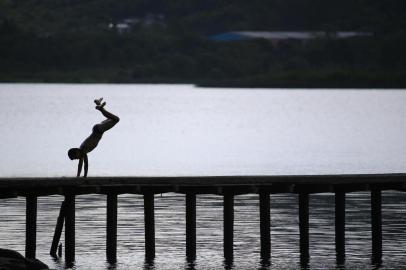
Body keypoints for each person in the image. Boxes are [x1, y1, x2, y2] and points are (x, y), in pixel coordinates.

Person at [68, 98, 120, 177]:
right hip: (97, 129)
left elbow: (86, 164)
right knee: (111, 118)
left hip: (99, 130)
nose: (77, 159)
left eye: (76, 157)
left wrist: (85, 176)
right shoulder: (82, 151)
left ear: (77, 152)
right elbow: (80, 165)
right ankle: (98, 103)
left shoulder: (83, 150)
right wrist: (78, 176)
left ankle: (101, 109)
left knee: (116, 119)